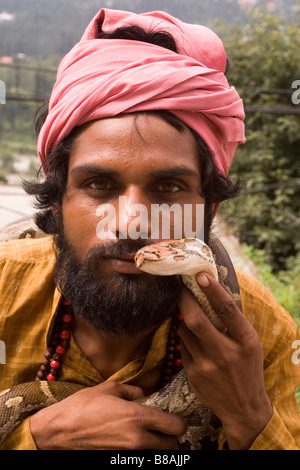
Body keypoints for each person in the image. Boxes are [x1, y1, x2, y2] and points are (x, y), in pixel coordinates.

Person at [0, 8, 299, 451]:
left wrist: (249, 415)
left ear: (209, 208)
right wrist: (39, 435)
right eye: (99, 185)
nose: (132, 222)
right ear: (57, 202)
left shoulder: (260, 333)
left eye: (168, 187)